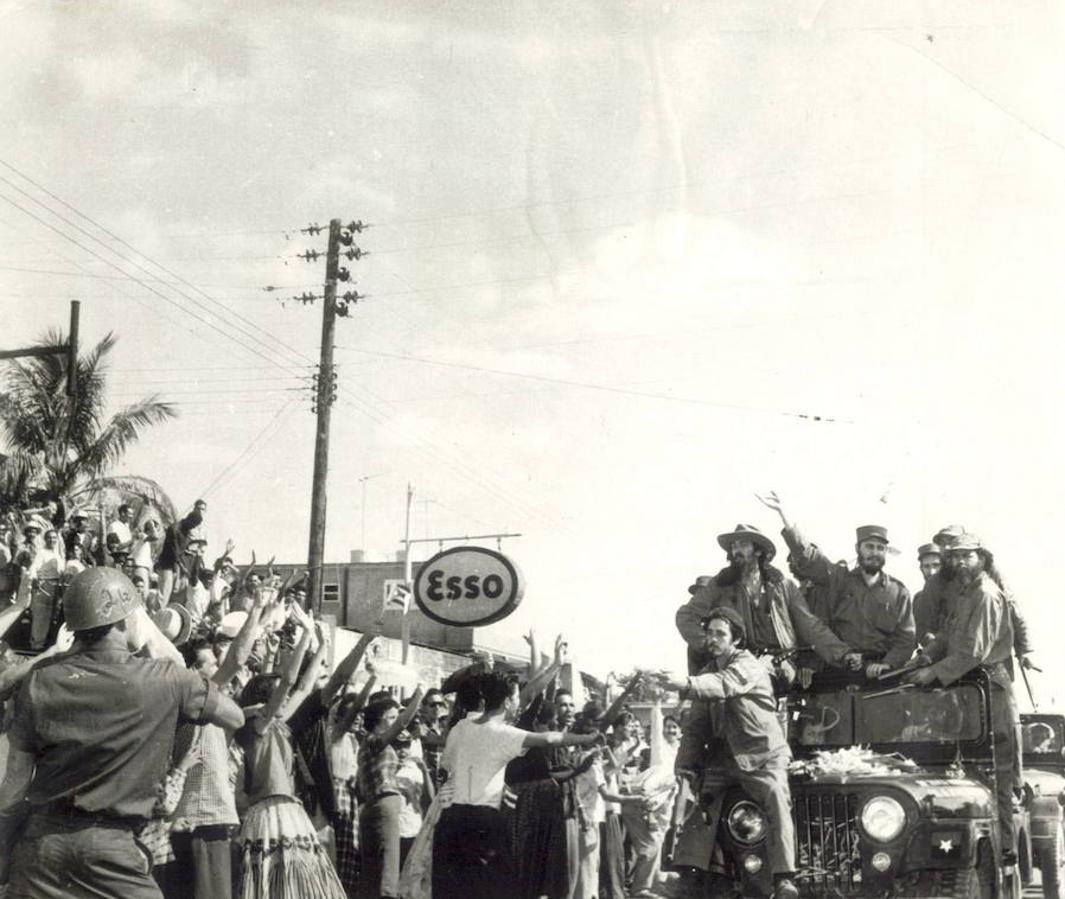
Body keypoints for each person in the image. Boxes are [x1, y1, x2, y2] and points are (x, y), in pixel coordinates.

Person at [0, 567, 245, 898]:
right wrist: (152, 637)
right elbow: (235, 718)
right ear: (127, 618)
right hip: (112, 849)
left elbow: (13, 789)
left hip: (42, 851)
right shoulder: (168, 679)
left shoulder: (39, 682)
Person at [433, 670, 603, 899]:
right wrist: (589, 738)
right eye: (514, 698)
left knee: (456, 890)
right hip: (483, 823)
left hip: (452, 819)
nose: (518, 702)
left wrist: (553, 665)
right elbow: (550, 738)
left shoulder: (461, 727)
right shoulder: (504, 734)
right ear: (506, 702)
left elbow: (446, 768)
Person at [666, 607, 799, 899]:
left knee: (776, 797)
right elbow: (696, 726)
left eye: (719, 634)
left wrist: (687, 684)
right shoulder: (706, 672)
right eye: (709, 633)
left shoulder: (748, 665)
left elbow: (724, 685)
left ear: (735, 640)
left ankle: (784, 878)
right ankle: (689, 872)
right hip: (726, 760)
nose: (712, 639)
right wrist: (685, 765)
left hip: (763, 755)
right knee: (699, 803)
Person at [906, 533, 1021, 868]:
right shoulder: (963, 593)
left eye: (967, 556)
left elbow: (974, 652)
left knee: (993, 773)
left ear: (982, 559)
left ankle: (1003, 854)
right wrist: (925, 657)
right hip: (964, 689)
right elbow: (946, 635)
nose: (959, 562)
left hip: (989, 691)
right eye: (954, 557)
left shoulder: (985, 594)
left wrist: (932, 674)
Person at [235, 614, 346, 899]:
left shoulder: (278, 725)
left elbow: (304, 687)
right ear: (264, 700)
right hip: (269, 811)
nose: (285, 699)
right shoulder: (256, 726)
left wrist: (321, 643)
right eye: (278, 697)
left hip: (288, 810)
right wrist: (307, 636)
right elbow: (289, 681)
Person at [759, 493, 915, 678]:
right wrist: (785, 516)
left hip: (881, 671)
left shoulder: (898, 592)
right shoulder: (839, 579)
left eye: (880, 548)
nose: (875, 553)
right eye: (869, 547)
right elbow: (810, 557)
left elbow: (906, 639)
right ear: (858, 549)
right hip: (841, 667)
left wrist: (888, 664)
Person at [676, 523, 850, 680]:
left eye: (743, 545)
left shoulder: (783, 586)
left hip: (779, 662)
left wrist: (843, 654)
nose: (736, 551)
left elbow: (811, 626)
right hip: (734, 661)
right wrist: (708, 642)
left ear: (758, 551)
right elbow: (686, 615)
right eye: (734, 546)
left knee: (750, 677)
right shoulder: (720, 584)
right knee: (700, 695)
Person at [356, 687, 426, 899]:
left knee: (373, 872)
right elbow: (401, 724)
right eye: (391, 717)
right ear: (381, 720)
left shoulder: (367, 744)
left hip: (375, 805)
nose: (395, 720)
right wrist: (417, 699)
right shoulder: (374, 741)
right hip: (384, 804)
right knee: (388, 871)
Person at [912, 543, 943, 643]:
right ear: (921, 569)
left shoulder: (955, 596)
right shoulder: (918, 598)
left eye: (936, 565)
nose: (932, 572)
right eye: (927, 566)